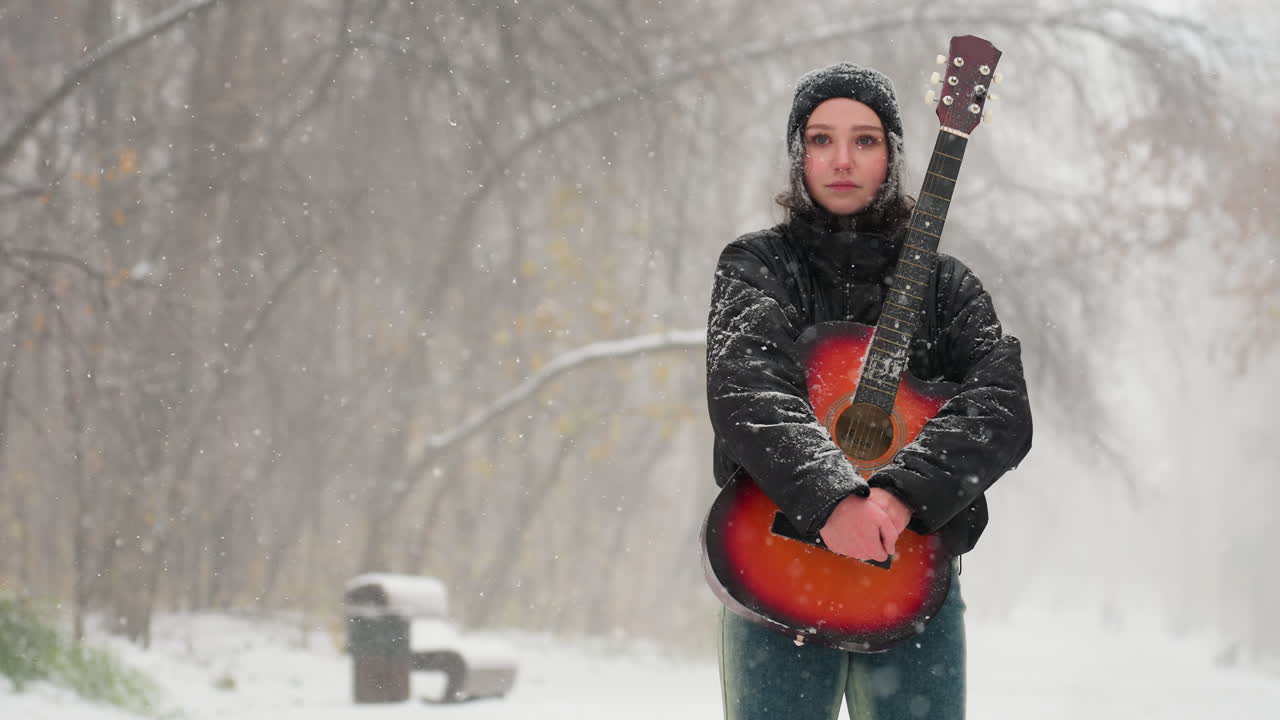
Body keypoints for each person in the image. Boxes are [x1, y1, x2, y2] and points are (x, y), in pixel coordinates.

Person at [704, 62, 1033, 720]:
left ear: (893, 153)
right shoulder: (757, 266)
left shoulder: (949, 287)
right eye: (822, 139)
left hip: (910, 589)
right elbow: (748, 391)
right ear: (799, 154)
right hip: (776, 579)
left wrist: (896, 494)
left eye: (866, 139)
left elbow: (1000, 408)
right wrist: (833, 499)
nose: (842, 159)